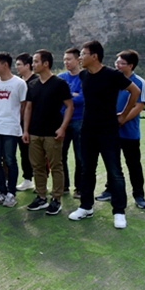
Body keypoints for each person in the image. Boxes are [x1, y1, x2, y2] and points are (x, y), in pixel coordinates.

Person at [68, 40, 141, 229]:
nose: (80, 58)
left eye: (83, 54)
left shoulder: (112, 75)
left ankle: (119, 211)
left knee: (114, 171)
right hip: (87, 130)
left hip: (108, 131)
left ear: (94, 56)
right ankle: (86, 207)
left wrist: (123, 115)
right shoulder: (84, 75)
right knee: (87, 170)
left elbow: (135, 91)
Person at [95, 50, 145, 209]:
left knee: (133, 164)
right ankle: (110, 190)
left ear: (130, 66)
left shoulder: (139, 82)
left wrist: (123, 118)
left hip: (130, 132)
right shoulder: (112, 79)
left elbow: (139, 105)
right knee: (112, 162)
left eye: (121, 63)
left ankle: (139, 195)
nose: (117, 65)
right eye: (116, 62)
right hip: (111, 130)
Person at [22, 50, 73, 216]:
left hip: (53, 132)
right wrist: (26, 130)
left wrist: (63, 127)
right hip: (35, 132)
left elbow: (69, 106)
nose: (33, 64)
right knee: (37, 166)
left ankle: (56, 199)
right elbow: (28, 108)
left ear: (46, 64)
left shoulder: (59, 83)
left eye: (36, 61)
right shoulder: (32, 84)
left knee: (56, 166)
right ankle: (41, 196)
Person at [0, 52, 27, 208]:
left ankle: (11, 194)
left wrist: (16, 121)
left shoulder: (19, 83)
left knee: (10, 160)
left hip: (10, 128)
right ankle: (1, 192)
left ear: (5, 65)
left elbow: (23, 106)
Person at [58, 48, 85, 199]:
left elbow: (82, 98)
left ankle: (79, 188)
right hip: (62, 121)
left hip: (79, 120)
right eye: (64, 60)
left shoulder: (85, 77)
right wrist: (72, 95)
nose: (66, 62)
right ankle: (64, 185)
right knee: (60, 155)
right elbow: (56, 97)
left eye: (69, 59)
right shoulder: (61, 78)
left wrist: (66, 97)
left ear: (78, 60)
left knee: (80, 156)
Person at [14, 53, 39, 191]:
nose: (16, 67)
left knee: (38, 154)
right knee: (24, 152)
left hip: (35, 123)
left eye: (19, 64)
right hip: (19, 123)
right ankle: (27, 179)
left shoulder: (36, 81)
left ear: (28, 65)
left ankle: (41, 181)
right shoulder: (17, 82)